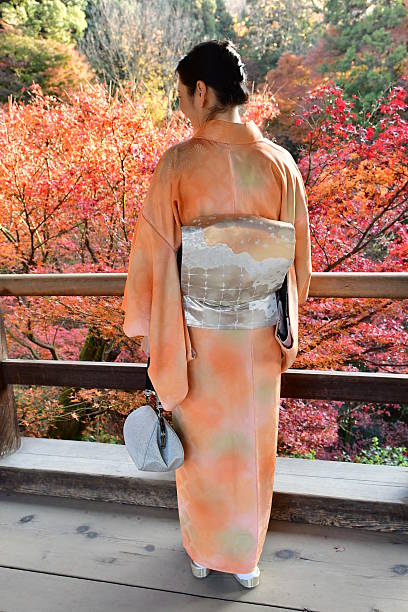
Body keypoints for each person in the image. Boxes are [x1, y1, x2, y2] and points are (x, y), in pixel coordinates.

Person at [121, 39, 312, 588]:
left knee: (203, 451)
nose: (182, 105)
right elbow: (297, 266)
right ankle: (246, 558)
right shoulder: (280, 165)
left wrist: (150, 328)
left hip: (197, 341)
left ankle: (204, 553)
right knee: (252, 447)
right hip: (257, 341)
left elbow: (155, 258)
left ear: (201, 92)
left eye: (182, 94)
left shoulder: (179, 164)